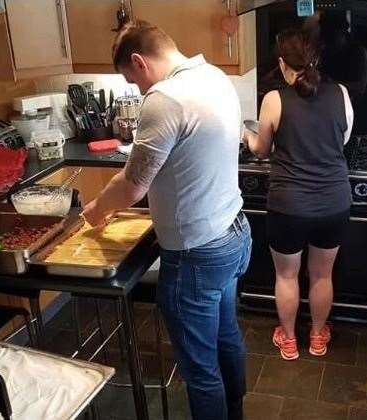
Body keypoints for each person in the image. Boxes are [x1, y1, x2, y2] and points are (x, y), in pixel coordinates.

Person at [82, 21, 251, 420]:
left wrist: (97, 210)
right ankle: (236, 413)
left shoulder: (164, 98)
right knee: (226, 337)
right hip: (233, 233)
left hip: (197, 252)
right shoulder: (214, 76)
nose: (138, 90)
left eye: (132, 80)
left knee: (200, 370)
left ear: (139, 62)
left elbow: (133, 185)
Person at [244, 28, 354, 361]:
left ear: (282, 63)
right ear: (316, 59)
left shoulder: (274, 100)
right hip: (333, 202)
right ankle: (318, 337)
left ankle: (289, 340)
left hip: (289, 205)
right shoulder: (342, 94)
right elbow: (343, 139)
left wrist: (246, 134)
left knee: (287, 275)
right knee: (322, 275)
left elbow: (261, 150)